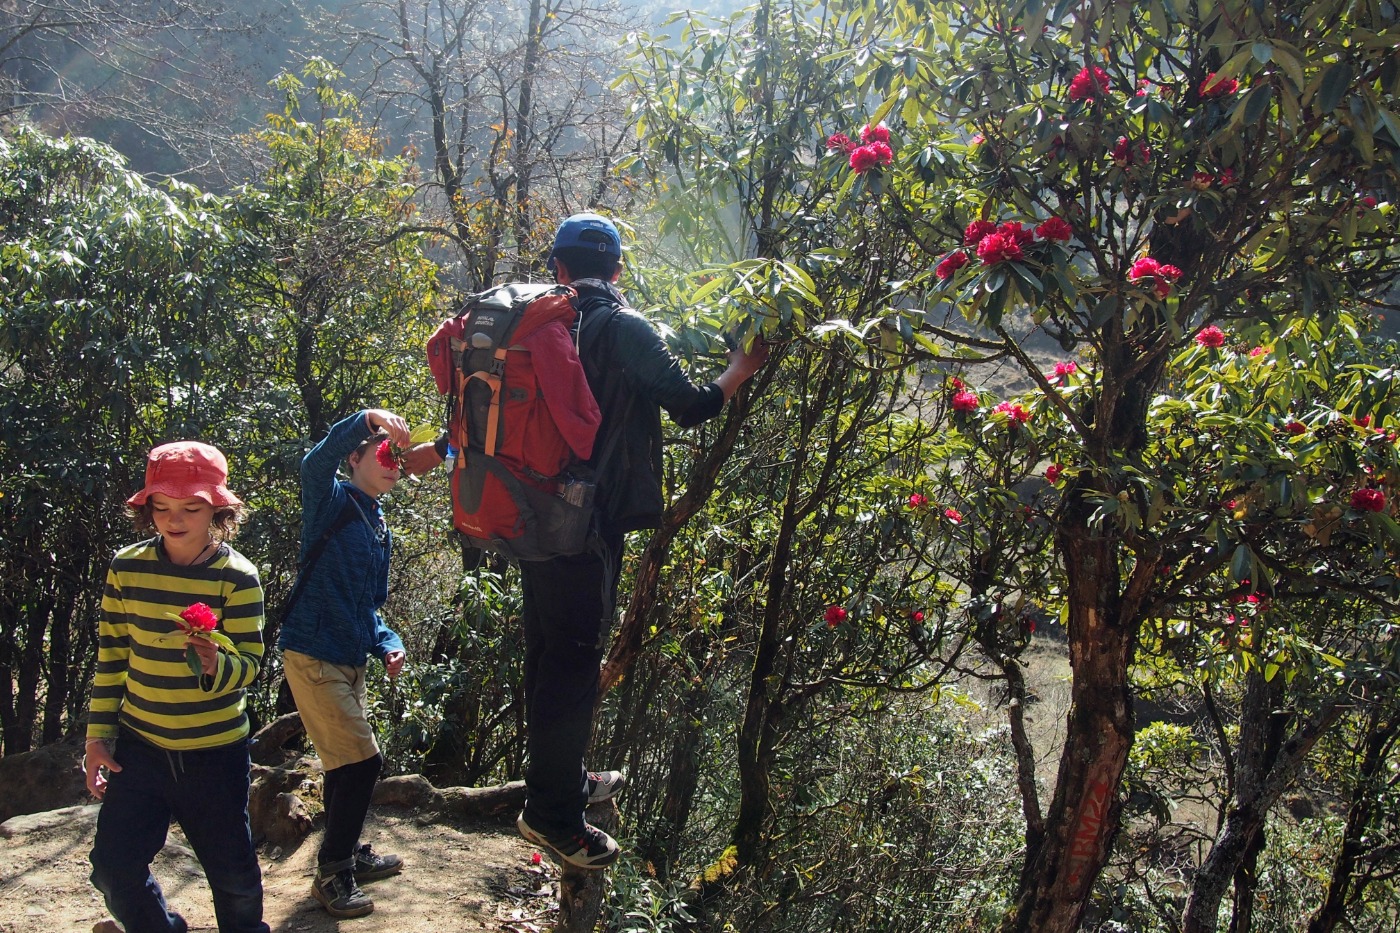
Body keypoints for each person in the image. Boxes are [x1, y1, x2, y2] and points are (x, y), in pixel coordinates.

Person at [403, 212, 768, 869]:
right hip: (586, 525)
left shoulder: (530, 322)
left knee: (548, 651)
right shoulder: (624, 327)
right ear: (618, 271)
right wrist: (738, 369)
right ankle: (552, 818)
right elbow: (690, 405)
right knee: (572, 664)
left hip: (525, 514)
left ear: (559, 269)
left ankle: (559, 784)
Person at [85, 441, 270, 933]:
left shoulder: (239, 577)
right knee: (112, 868)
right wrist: (97, 737)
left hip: (214, 752)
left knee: (233, 878)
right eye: (161, 506)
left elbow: (250, 662)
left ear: (218, 509)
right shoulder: (126, 567)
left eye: (191, 506)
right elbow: (113, 657)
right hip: (140, 747)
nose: (175, 518)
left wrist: (214, 662)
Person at [279, 409, 411, 918]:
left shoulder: (379, 525)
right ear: (354, 458)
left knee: (342, 762)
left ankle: (346, 850)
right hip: (313, 653)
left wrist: (388, 642)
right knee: (363, 761)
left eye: (397, 456)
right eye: (382, 451)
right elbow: (315, 464)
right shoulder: (330, 500)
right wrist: (365, 420)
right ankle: (333, 874)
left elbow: (369, 607)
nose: (392, 462)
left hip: (350, 659)